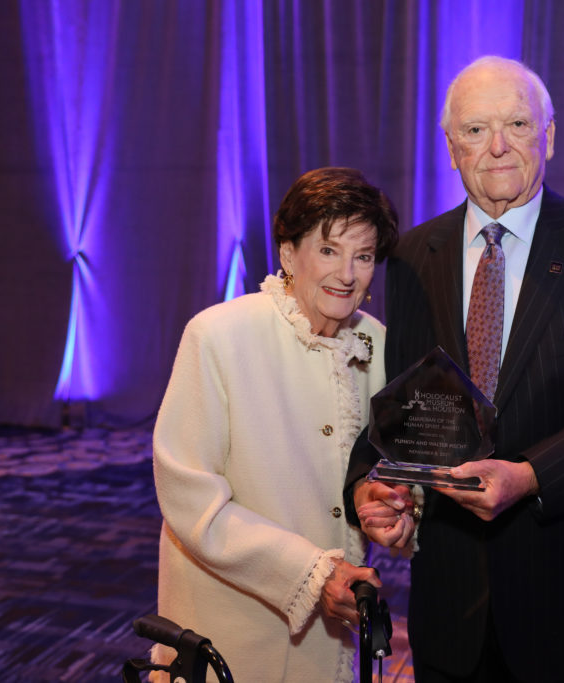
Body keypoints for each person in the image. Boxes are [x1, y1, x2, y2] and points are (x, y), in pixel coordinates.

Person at [344, 56, 564, 682]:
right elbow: (404, 405)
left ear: (548, 137)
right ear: (451, 149)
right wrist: (370, 485)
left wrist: (530, 476)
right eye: (475, 130)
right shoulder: (413, 256)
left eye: (518, 124)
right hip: (449, 608)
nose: (497, 146)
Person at [151, 167, 401, 682]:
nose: (347, 274)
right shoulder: (219, 335)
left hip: (333, 626)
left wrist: (391, 508)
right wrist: (308, 573)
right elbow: (189, 496)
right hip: (233, 625)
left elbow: (383, 465)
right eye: (328, 250)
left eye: (363, 256)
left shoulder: (375, 342)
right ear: (288, 254)